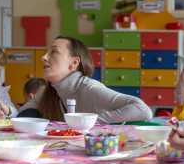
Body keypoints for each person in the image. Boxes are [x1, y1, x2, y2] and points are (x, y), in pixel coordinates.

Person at [19, 36, 152, 123]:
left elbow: (142, 109)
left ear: (74, 63)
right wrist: (6, 111)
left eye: (54, 52)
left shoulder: (89, 88)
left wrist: (88, 121)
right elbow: (20, 114)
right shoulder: (48, 91)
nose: (44, 57)